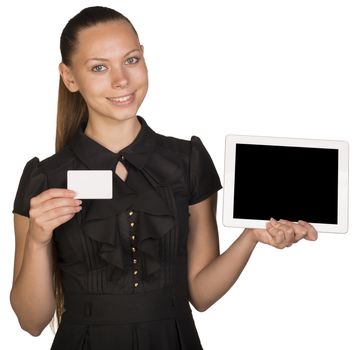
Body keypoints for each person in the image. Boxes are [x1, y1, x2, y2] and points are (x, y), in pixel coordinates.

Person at [10, 6, 318, 350]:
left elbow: (200, 294)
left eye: (131, 60)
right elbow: (31, 322)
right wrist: (38, 241)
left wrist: (250, 237)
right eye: (99, 67)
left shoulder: (187, 162)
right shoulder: (44, 177)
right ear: (69, 78)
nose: (121, 80)